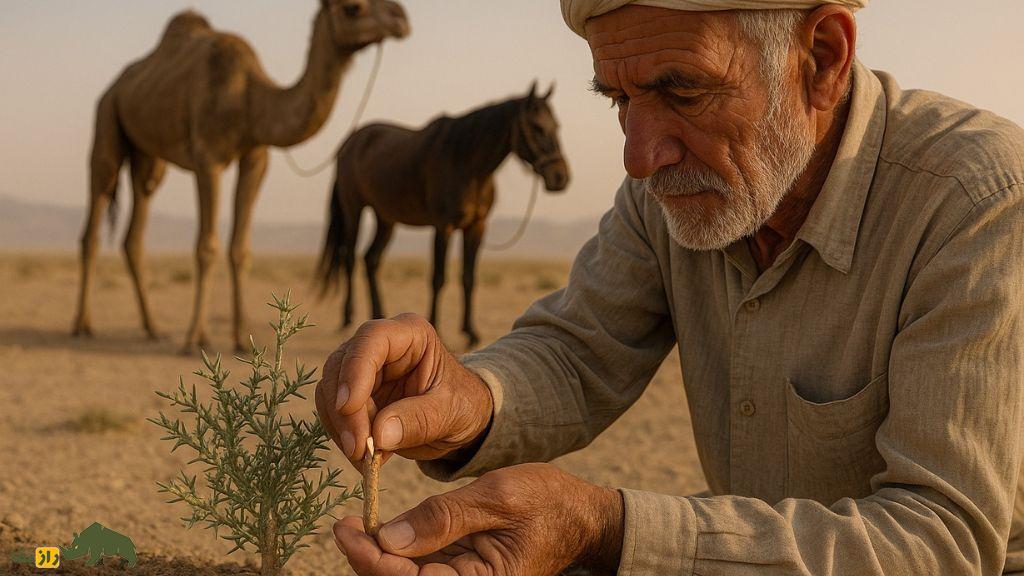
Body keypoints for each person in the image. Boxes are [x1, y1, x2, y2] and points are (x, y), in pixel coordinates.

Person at [316, 1, 1024, 574]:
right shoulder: (669, 194)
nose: (639, 156)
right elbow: (578, 354)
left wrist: (606, 535)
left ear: (822, 60)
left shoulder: (975, 200)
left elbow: (942, 539)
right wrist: (465, 398)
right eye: (618, 98)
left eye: (682, 90)